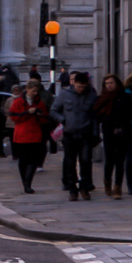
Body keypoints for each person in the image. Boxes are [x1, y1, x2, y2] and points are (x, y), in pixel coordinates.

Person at [50, 70, 97, 201]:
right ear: (74, 83)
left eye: (83, 86)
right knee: (70, 162)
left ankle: (84, 186)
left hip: (85, 133)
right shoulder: (64, 95)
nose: (81, 89)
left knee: (86, 161)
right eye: (79, 86)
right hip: (70, 133)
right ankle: (72, 188)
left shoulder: (91, 96)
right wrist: (63, 119)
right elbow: (54, 110)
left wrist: (95, 133)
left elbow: (94, 117)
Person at [95, 73, 132, 198]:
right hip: (108, 132)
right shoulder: (101, 98)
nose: (109, 85)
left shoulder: (125, 97)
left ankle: (118, 186)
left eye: (111, 83)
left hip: (123, 131)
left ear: (117, 83)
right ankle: (107, 181)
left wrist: (121, 124)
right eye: (107, 83)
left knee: (120, 160)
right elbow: (97, 114)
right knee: (110, 159)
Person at [7, 81, 51, 193]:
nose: (35, 93)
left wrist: (39, 115)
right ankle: (25, 182)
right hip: (22, 134)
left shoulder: (39, 103)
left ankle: (28, 183)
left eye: (37, 91)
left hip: (35, 134)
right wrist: (27, 112)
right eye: (33, 91)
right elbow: (14, 117)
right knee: (23, 160)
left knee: (33, 160)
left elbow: (45, 119)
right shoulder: (18, 102)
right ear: (27, 89)